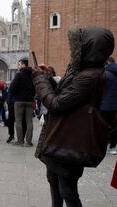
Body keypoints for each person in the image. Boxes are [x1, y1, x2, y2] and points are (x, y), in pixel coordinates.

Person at [33, 26, 114, 207]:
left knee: (67, 190)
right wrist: (47, 77)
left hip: (70, 139)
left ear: (89, 48)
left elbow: (56, 104)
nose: (73, 50)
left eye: (78, 46)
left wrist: (39, 79)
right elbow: (63, 96)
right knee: (54, 182)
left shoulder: (90, 76)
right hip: (61, 136)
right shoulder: (81, 71)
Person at [10, 59, 36, 147]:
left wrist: (15, 95)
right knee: (29, 121)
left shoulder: (19, 75)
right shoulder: (33, 75)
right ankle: (28, 142)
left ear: (24, 65)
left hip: (19, 101)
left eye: (19, 64)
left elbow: (12, 88)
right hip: (30, 100)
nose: (18, 66)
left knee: (18, 121)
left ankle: (20, 141)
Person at [100, 57, 117, 155]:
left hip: (103, 105)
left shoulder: (105, 74)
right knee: (114, 126)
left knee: (101, 126)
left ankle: (102, 146)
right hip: (114, 105)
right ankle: (112, 147)